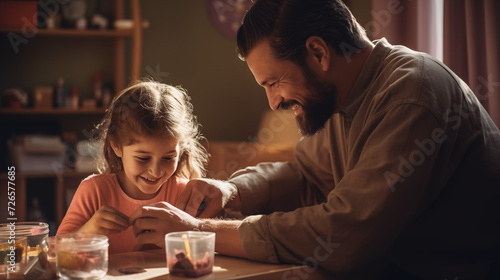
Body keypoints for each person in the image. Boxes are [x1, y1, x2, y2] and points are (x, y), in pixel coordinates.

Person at [129, 0, 500, 278]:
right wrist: (231, 192)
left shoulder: (412, 95)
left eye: (274, 82)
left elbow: (343, 234)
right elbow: (304, 174)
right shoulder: (341, 97)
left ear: (319, 52)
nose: (274, 101)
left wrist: (199, 230)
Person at [57, 81, 208, 254]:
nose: (156, 171)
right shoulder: (94, 191)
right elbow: (54, 251)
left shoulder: (185, 193)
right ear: (116, 146)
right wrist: (88, 231)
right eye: (143, 158)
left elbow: (207, 249)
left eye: (168, 158)